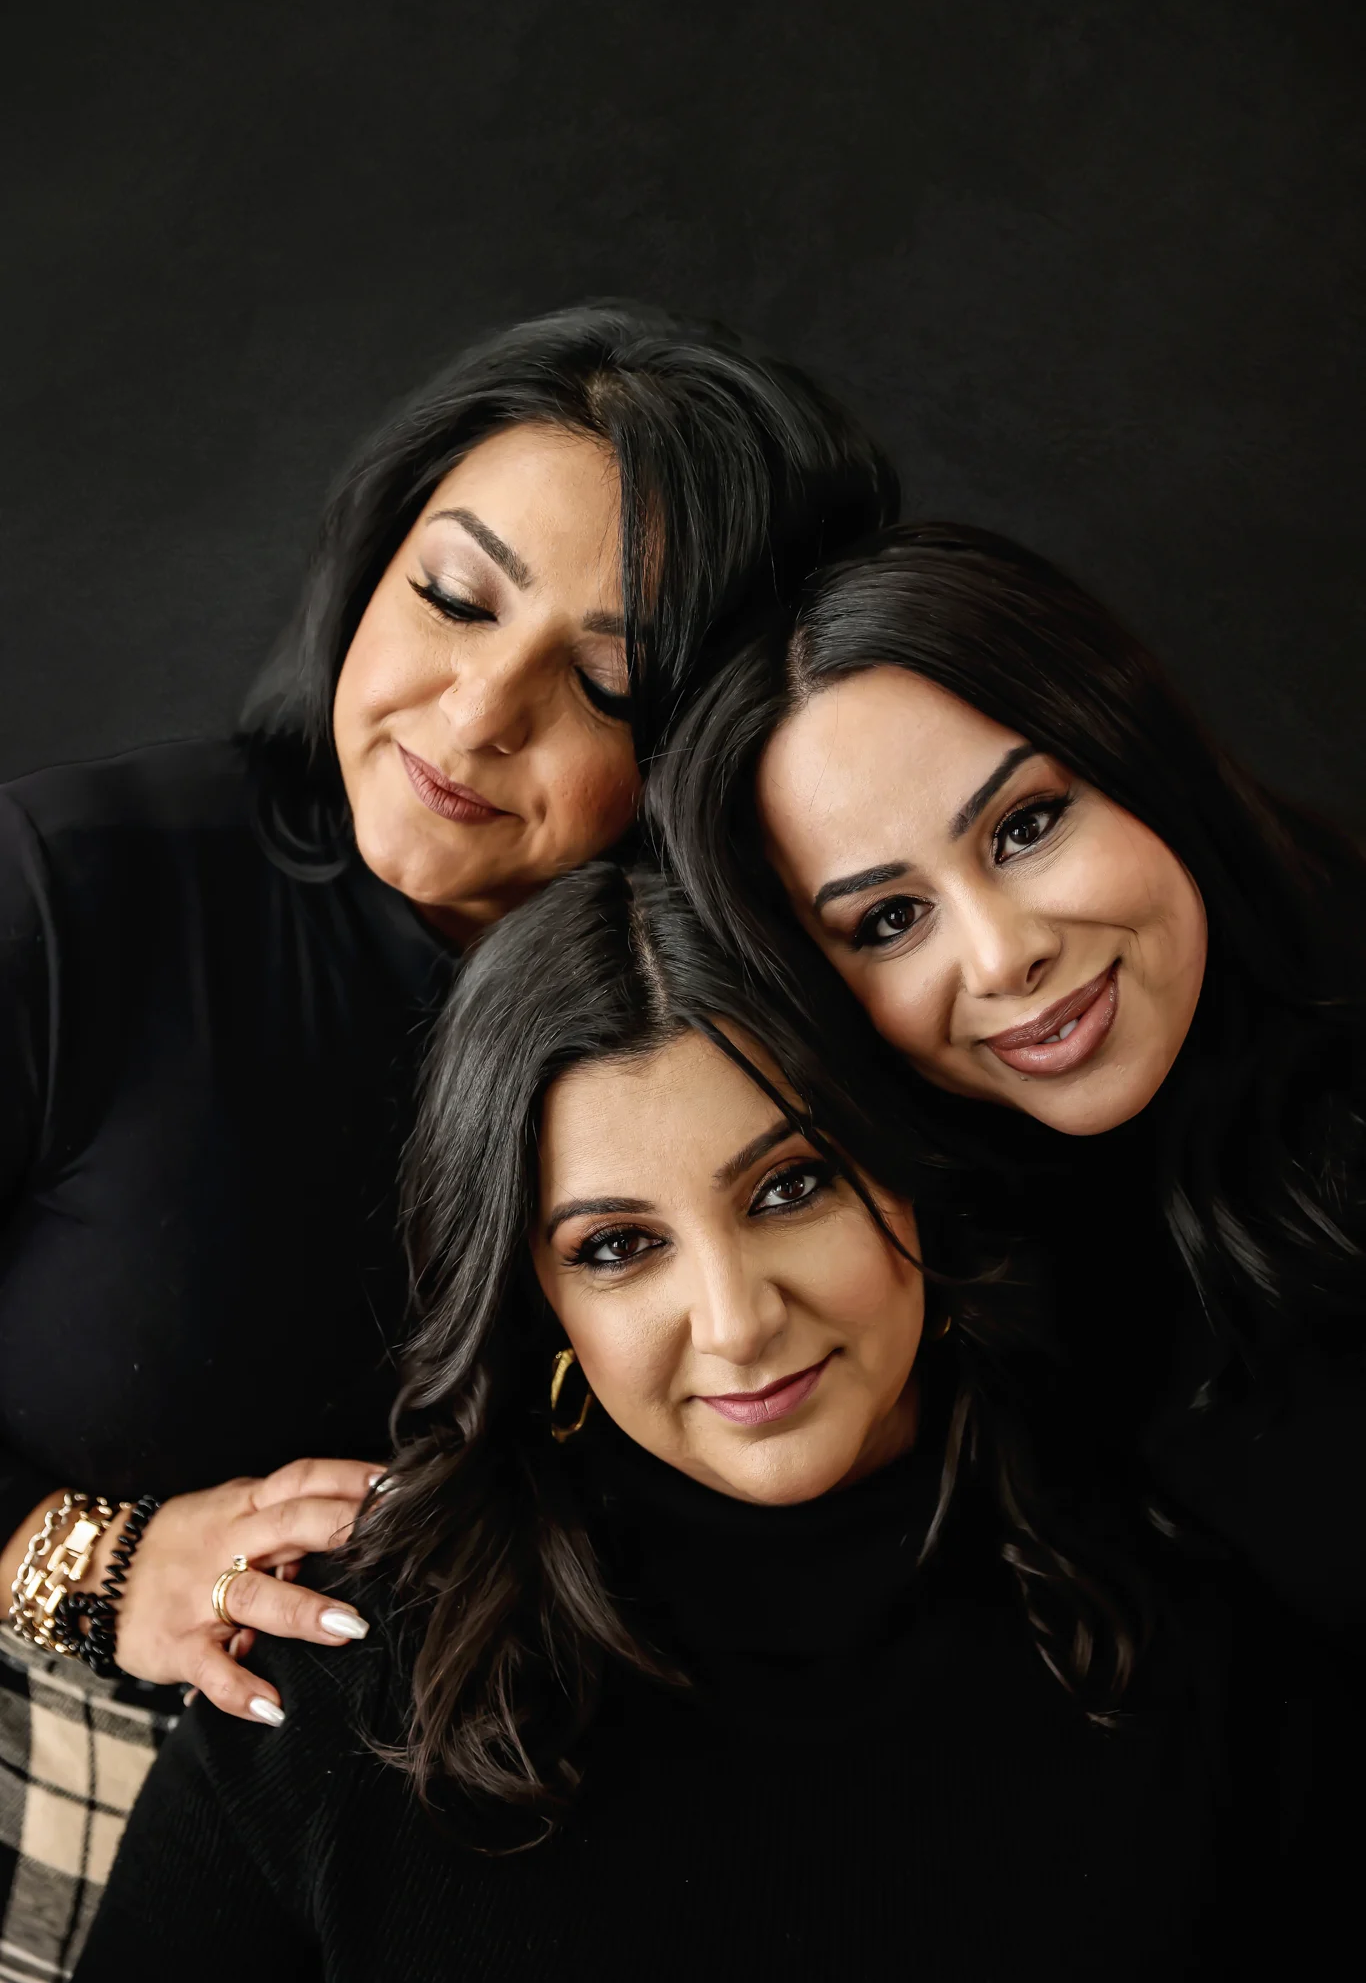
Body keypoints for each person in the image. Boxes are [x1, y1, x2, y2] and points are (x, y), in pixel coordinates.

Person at [0, 301, 898, 1974]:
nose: (478, 709)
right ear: (373, 558)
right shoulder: (76, 890)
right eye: (455, 597)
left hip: (548, 1846)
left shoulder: (775, 1005)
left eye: (605, 681)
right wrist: (81, 1559)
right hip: (78, 1799)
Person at [77, 862, 1321, 1980]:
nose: (735, 1322)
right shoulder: (341, 1677)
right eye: (618, 1246)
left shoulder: (1188, 1619)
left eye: (792, 1185)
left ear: (910, 1173)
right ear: (538, 1298)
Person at [648, 522, 1366, 1634]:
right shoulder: (956, 1285)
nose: (999, 957)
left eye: (1025, 826)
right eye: (890, 919)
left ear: (1141, 760)